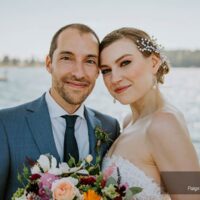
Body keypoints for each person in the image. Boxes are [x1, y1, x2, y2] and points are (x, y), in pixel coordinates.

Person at [0, 23, 120, 199]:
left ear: (97, 71)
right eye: (67, 58)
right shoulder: (6, 124)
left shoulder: (110, 127)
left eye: (89, 61)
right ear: (49, 64)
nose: (79, 73)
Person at [100, 27, 200, 200]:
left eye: (125, 63)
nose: (114, 78)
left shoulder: (163, 124)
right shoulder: (129, 121)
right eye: (106, 70)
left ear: (154, 63)